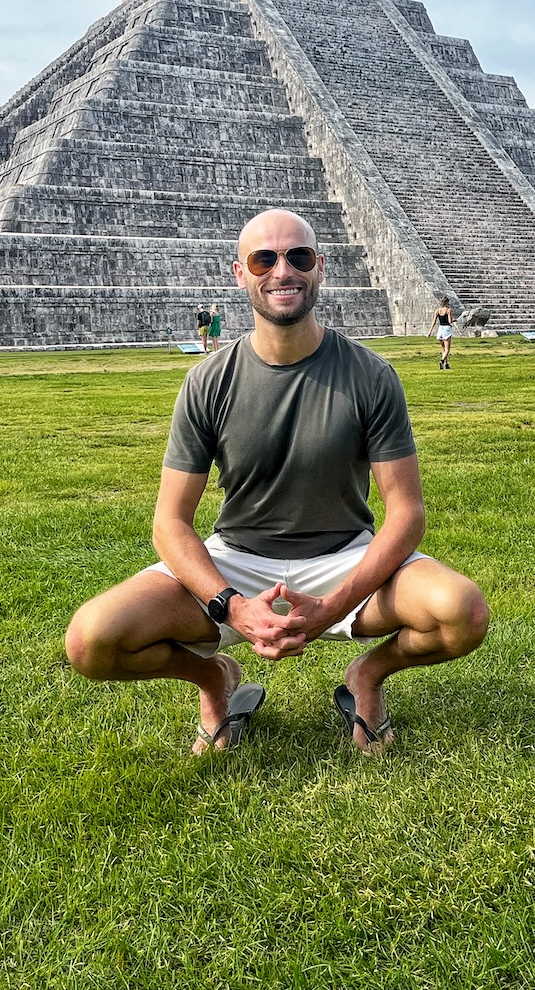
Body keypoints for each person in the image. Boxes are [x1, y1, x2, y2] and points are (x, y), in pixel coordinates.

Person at [65, 209, 488, 757]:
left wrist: (334, 606)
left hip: (344, 557)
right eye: (264, 258)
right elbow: (170, 522)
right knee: (92, 641)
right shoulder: (208, 382)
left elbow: (405, 514)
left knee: (463, 613)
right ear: (240, 273)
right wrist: (230, 605)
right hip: (236, 559)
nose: (282, 271)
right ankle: (214, 680)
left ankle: (368, 675)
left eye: (298, 257)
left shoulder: (370, 375)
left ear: (320, 269)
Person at [429, 297, 454, 369]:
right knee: (447, 349)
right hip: (446, 329)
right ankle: (442, 360)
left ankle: (446, 364)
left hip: (440, 329)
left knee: (443, 348)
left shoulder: (437, 310)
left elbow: (434, 321)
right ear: (447, 303)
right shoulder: (448, 310)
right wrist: (453, 321)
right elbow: (449, 321)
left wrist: (429, 332)